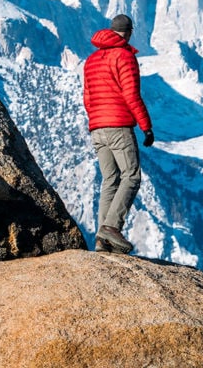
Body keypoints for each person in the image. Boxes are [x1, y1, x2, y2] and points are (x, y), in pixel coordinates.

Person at [83, 14, 154, 254]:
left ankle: (102, 242)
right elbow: (131, 95)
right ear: (130, 32)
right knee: (131, 176)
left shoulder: (91, 60)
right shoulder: (125, 56)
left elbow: (88, 98)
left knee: (110, 180)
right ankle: (111, 227)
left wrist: (96, 122)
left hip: (97, 128)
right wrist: (146, 126)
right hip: (118, 127)